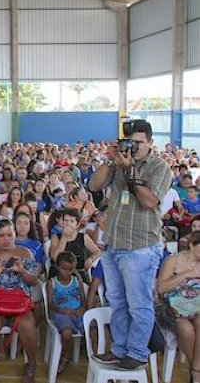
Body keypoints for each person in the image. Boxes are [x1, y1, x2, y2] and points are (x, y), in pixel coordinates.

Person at [89, 119, 173, 370]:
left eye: (138, 143)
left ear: (150, 143)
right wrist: (111, 158)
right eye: (129, 142)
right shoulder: (118, 161)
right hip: (113, 243)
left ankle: (137, 352)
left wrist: (131, 172)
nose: (133, 147)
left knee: (138, 303)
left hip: (140, 247)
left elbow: (150, 201)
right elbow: (94, 185)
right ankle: (119, 349)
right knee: (116, 301)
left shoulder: (160, 167)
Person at [0, 220, 39, 383]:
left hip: (19, 303)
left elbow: (33, 281)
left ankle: (31, 364)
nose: (6, 238)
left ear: (14, 235)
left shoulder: (25, 253)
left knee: (28, 325)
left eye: (9, 235)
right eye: (1, 235)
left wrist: (22, 271)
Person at [156, 231, 200, 383]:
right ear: (192, 245)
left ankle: (196, 371)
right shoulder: (173, 260)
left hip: (196, 307)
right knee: (186, 329)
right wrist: (185, 275)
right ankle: (195, 371)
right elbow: (161, 288)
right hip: (171, 307)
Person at [46, 251, 86, 374]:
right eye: (64, 269)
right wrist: (62, 310)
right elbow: (50, 304)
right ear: (57, 267)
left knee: (94, 329)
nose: (67, 272)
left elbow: (83, 300)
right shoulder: (52, 283)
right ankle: (66, 355)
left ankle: (94, 355)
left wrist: (81, 309)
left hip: (77, 313)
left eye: (71, 269)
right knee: (66, 332)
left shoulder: (77, 281)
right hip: (61, 313)